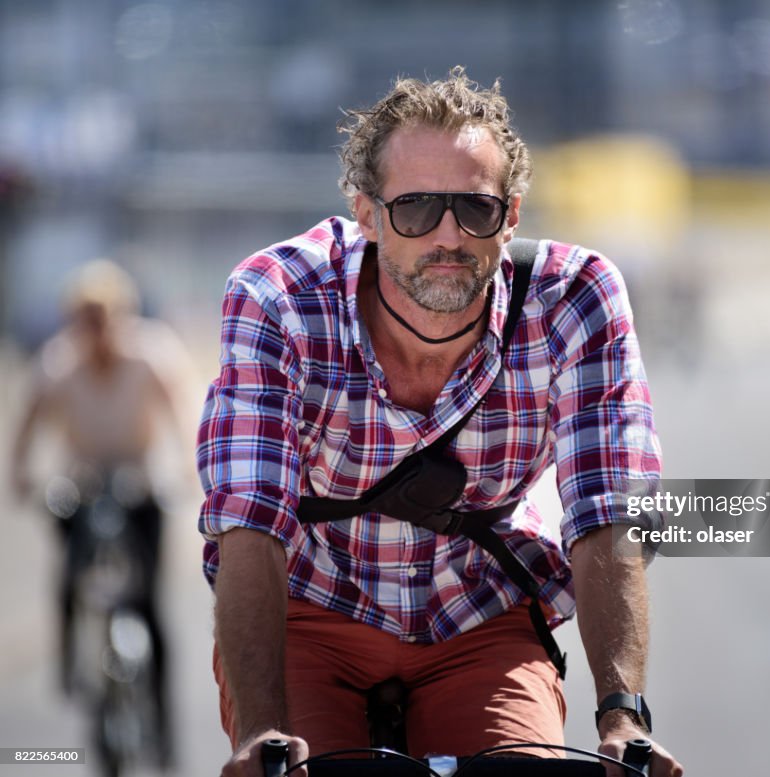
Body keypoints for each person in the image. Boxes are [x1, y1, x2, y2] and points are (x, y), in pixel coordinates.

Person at [198, 67, 683, 777]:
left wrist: (622, 716)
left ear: (511, 215)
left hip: (479, 616)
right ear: (366, 214)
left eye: (475, 209)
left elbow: (606, 512)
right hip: (311, 610)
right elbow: (250, 521)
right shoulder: (279, 297)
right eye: (417, 208)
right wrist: (262, 732)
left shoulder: (577, 296)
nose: (448, 235)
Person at [10, 259, 183, 765]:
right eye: (86, 319)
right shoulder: (59, 362)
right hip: (83, 481)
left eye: (105, 317)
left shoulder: (152, 354)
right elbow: (29, 419)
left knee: (150, 602)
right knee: (68, 575)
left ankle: (162, 722)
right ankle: (70, 665)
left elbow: (181, 411)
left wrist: (181, 474)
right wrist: (20, 474)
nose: (97, 331)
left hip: (141, 477)